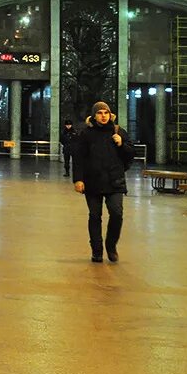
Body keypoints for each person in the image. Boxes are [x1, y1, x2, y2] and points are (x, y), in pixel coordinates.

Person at [72, 101, 135, 263]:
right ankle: (97, 250)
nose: (103, 116)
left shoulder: (118, 131)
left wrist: (121, 144)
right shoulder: (86, 134)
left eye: (106, 113)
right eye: (100, 113)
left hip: (115, 181)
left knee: (117, 213)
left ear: (110, 114)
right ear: (94, 116)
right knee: (95, 215)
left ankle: (111, 245)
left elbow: (130, 155)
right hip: (92, 181)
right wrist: (78, 179)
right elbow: (78, 158)